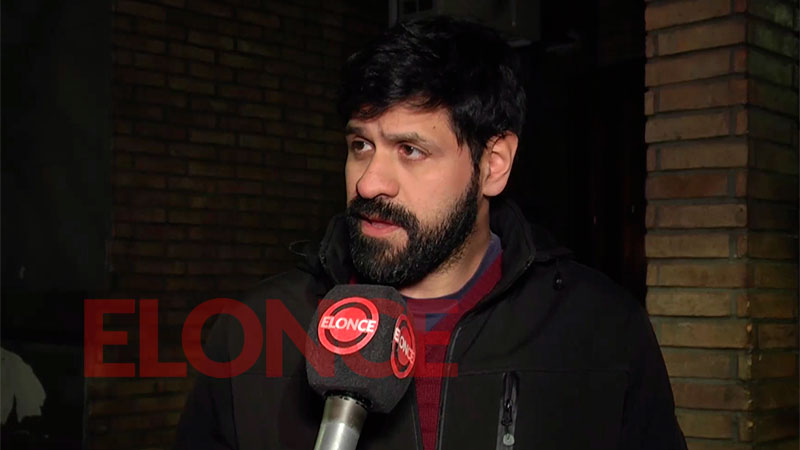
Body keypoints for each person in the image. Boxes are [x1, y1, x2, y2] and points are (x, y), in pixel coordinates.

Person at [176, 16, 687, 450]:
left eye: (410, 150)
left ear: (493, 164)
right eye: (360, 146)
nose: (369, 183)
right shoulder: (253, 330)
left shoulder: (601, 331)